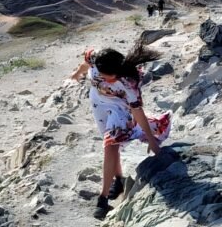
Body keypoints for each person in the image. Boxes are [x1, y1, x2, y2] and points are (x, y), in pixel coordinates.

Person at [70, 41, 172, 219]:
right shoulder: (95, 56)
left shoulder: (129, 82)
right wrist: (77, 74)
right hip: (97, 102)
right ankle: (118, 179)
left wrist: (152, 141)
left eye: (110, 77)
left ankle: (102, 200)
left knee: (110, 144)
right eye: (102, 75)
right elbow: (85, 65)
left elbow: (137, 110)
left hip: (120, 107)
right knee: (111, 143)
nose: (107, 80)